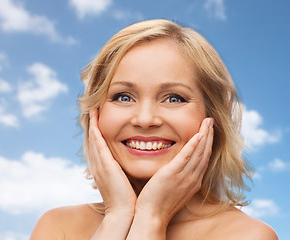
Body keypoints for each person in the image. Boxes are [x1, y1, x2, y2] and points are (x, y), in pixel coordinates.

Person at [30, 19, 278, 240]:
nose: (145, 119)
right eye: (123, 97)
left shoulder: (248, 235)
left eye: (174, 98)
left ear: (213, 118)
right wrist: (118, 216)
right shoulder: (57, 228)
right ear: (95, 114)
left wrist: (151, 218)